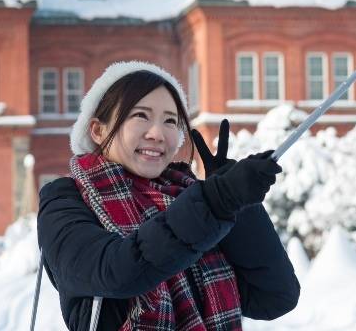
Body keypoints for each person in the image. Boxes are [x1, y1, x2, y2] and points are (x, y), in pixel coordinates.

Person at [38, 61, 300, 330]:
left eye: (170, 121)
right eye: (140, 115)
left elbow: (275, 297)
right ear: (97, 129)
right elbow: (116, 270)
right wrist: (216, 200)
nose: (157, 133)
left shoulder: (188, 200)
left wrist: (240, 206)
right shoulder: (66, 199)